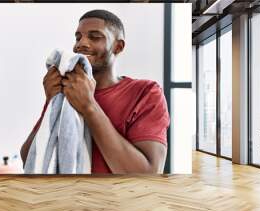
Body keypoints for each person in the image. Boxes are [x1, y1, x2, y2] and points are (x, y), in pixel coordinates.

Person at [20, 9, 170, 174]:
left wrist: (89, 106)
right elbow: (30, 159)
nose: (80, 44)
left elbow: (148, 174)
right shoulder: (66, 92)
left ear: (118, 47)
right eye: (78, 37)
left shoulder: (145, 92)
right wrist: (51, 101)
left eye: (95, 37)